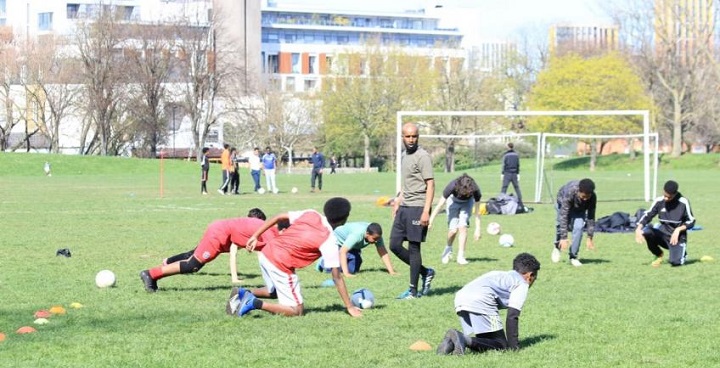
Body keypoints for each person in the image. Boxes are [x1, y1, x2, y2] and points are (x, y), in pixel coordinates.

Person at [225, 197, 362, 318]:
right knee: (297, 311)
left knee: (273, 292)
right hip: (280, 263)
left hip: (267, 252)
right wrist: (349, 307)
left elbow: (279, 217)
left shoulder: (312, 214)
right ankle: (252, 302)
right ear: (345, 219)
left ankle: (243, 293)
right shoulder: (329, 240)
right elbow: (337, 277)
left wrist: (255, 235)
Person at [139, 208, 279, 292]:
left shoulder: (270, 229)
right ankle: (150, 274)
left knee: (192, 256)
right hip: (220, 233)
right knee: (193, 265)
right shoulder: (272, 234)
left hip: (221, 230)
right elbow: (276, 258)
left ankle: (162, 265)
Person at [436, 253, 541, 356]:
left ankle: (451, 343)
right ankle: (462, 338)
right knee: (502, 345)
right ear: (530, 275)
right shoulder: (522, 283)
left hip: (461, 298)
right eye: (534, 279)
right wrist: (514, 348)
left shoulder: (502, 275)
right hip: (481, 300)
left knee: (487, 342)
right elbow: (512, 315)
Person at [390, 122, 436, 299]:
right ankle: (426, 272)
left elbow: (430, 184)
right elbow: (406, 182)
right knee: (394, 244)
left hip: (418, 207)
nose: (411, 139)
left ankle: (413, 291)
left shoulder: (423, 156)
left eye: (414, 136)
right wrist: (398, 200)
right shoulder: (403, 155)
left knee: (414, 248)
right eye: (408, 136)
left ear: (418, 137)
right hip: (404, 206)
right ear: (402, 137)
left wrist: (426, 212)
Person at [635, 180, 695, 267]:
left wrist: (678, 229)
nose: (666, 199)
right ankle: (658, 254)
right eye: (665, 195)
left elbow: (691, 220)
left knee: (675, 263)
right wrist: (638, 228)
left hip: (677, 239)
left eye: (669, 197)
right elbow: (648, 215)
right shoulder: (659, 201)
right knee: (647, 231)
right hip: (663, 235)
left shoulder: (683, 202)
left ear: (675, 194)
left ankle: (682, 253)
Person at [428, 173, 482, 265]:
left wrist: (478, 229)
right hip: (453, 202)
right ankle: (448, 249)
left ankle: (460, 256)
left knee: (463, 227)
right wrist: (430, 221)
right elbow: (440, 205)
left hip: (467, 204)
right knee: (453, 230)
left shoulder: (475, 189)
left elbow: (477, 211)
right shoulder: (452, 186)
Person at [316, 222, 398, 277]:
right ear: (367, 234)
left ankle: (336, 261)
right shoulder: (357, 234)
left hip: (353, 245)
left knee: (353, 269)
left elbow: (383, 252)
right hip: (337, 241)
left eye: (377, 239)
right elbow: (343, 251)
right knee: (331, 270)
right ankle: (323, 262)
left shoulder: (376, 235)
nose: (376, 241)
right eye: (374, 239)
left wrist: (391, 271)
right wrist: (346, 274)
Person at [551, 178, 597, 267]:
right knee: (560, 225)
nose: (585, 199)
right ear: (578, 192)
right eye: (583, 197)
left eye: (587, 197)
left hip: (579, 209)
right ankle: (557, 247)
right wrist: (564, 238)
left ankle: (573, 257)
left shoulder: (592, 197)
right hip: (562, 204)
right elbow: (564, 216)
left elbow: (591, 217)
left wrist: (589, 237)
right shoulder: (570, 192)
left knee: (579, 227)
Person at [500, 142, 524, 209]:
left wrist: (502, 173)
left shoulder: (506, 155)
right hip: (514, 174)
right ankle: (520, 201)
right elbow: (518, 165)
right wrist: (518, 173)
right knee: (517, 188)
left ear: (508, 147)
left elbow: (504, 165)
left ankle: (501, 201)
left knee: (504, 187)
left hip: (507, 173)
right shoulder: (516, 155)